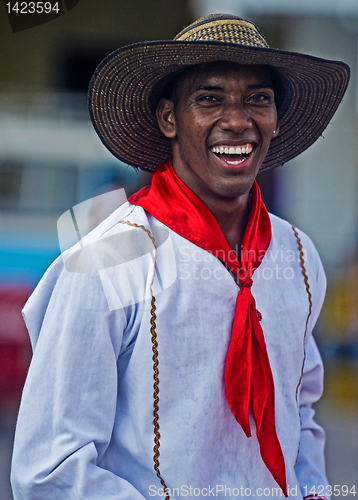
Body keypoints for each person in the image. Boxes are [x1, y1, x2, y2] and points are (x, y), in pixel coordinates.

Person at [11, 14, 350, 500]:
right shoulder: (109, 259)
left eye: (259, 98)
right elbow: (48, 470)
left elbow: (299, 414)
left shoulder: (296, 255)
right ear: (169, 118)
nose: (238, 120)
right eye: (209, 99)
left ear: (276, 119)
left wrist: (314, 491)